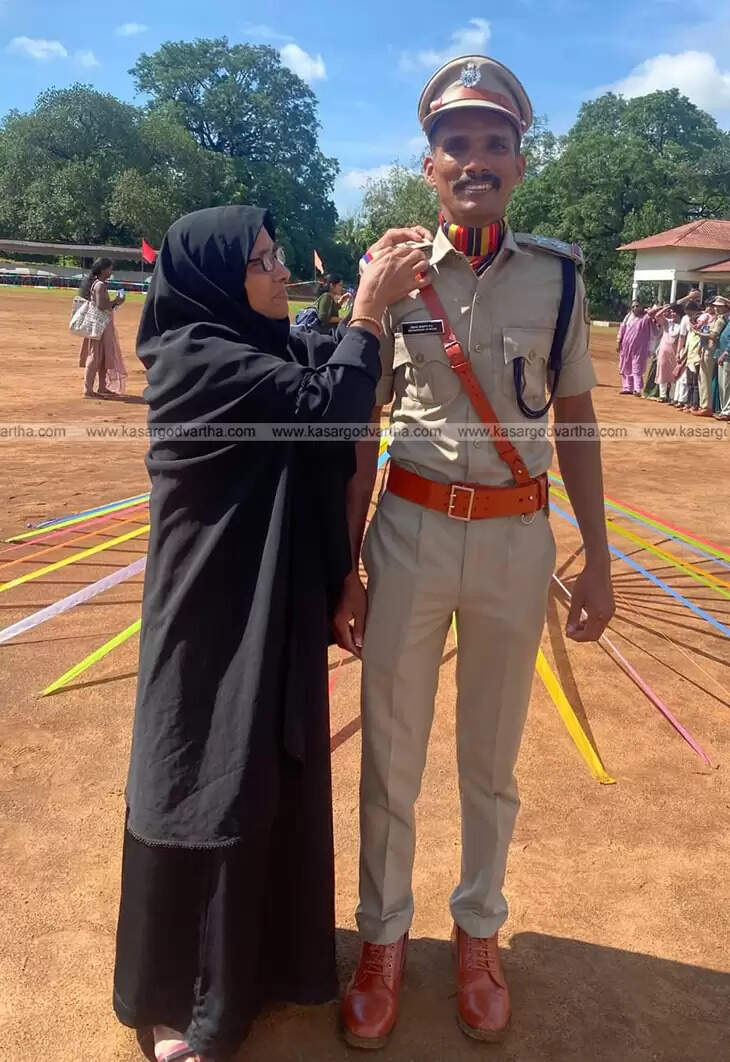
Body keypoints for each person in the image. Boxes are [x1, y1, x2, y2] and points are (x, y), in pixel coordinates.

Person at [337, 56, 614, 1047]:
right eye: (456, 143)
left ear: (518, 163)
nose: (475, 159)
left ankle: (477, 933)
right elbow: (357, 422)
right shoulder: (392, 271)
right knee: (391, 760)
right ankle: (380, 940)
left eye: (494, 143)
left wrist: (602, 555)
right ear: (429, 164)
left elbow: (576, 418)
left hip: (515, 541)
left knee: (490, 762)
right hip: (407, 532)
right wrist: (346, 564)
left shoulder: (559, 275)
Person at [112, 205, 428, 1062]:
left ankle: (265, 966)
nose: (276, 269)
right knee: (199, 774)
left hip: (271, 596)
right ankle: (182, 992)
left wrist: (369, 296)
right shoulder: (194, 360)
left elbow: (327, 365)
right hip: (211, 610)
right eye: (260, 260)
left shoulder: (261, 348)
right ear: (215, 279)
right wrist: (366, 307)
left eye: (275, 252)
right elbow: (329, 407)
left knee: (267, 770)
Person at [77, 257, 128, 398]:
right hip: (100, 326)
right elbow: (101, 306)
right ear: (103, 269)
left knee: (103, 356)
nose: (111, 271)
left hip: (102, 325)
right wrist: (116, 301)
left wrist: (116, 303)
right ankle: (88, 390)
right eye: (110, 268)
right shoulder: (100, 285)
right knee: (95, 356)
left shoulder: (98, 284)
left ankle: (101, 387)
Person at [693, 297, 728, 417]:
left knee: (705, 378)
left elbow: (713, 336)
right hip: (709, 350)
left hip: (711, 350)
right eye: (715, 306)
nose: (716, 308)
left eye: (719, 306)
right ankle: (706, 405)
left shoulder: (721, 320)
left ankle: (706, 406)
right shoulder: (718, 318)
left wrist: (699, 333)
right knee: (704, 378)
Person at [616, 299, 659, 395]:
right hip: (626, 347)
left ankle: (637, 389)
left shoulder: (645, 318)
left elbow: (654, 312)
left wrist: (653, 308)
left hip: (640, 348)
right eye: (633, 306)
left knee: (636, 367)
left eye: (637, 306)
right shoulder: (628, 317)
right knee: (625, 366)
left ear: (641, 307)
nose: (635, 308)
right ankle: (627, 387)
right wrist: (618, 342)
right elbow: (622, 330)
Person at [653, 304, 682, 401]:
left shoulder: (682, 325)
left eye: (675, 312)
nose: (673, 314)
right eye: (672, 312)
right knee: (662, 371)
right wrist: (666, 307)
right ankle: (663, 395)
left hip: (676, 352)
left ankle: (673, 396)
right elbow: (657, 315)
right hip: (663, 352)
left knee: (674, 374)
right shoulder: (668, 323)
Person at [714, 298, 730, 420]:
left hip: (727, 357)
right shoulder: (725, 320)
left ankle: (727, 411)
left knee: (727, 384)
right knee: (722, 385)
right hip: (722, 355)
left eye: (720, 306)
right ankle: (724, 410)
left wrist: (725, 353)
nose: (717, 308)